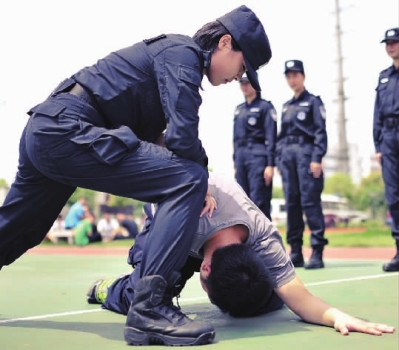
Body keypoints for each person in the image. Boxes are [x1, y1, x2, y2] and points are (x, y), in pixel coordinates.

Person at [0, 5, 272, 347]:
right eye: (243, 66)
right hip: (69, 129)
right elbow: (182, 135)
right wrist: (199, 175)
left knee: (18, 229)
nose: (239, 78)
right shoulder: (182, 52)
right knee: (189, 177)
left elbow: (159, 142)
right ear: (225, 43)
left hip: (49, 130)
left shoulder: (171, 61)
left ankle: (148, 305)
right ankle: (150, 310)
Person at [86, 175, 395, 339]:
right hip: (162, 220)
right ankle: (106, 289)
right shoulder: (179, 226)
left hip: (209, 229)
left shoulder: (262, 236)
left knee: (256, 299)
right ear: (204, 269)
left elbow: (298, 297)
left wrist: (338, 316)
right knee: (147, 295)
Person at [276, 60, 328, 269]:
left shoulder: (313, 102)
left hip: (306, 155)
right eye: (288, 76)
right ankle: (295, 251)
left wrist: (317, 157)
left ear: (303, 77)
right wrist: (279, 158)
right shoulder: (286, 106)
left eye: (295, 75)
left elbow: (320, 132)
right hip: (288, 157)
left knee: (310, 201)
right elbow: (281, 136)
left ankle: (317, 251)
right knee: (292, 203)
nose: (292, 79)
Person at [233, 74, 277, 220]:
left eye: (248, 83)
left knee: (258, 200)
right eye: (242, 83)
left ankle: (264, 242)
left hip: (258, 156)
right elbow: (235, 138)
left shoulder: (265, 107)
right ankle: (249, 241)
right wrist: (235, 162)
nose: (244, 86)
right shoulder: (239, 109)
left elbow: (271, 137)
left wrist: (270, 164)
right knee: (242, 200)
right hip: (241, 156)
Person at [373, 27, 399, 272]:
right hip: (389, 138)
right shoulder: (383, 77)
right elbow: (377, 114)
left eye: (394, 42)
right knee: (394, 196)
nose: (390, 46)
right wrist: (378, 145)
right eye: (387, 43)